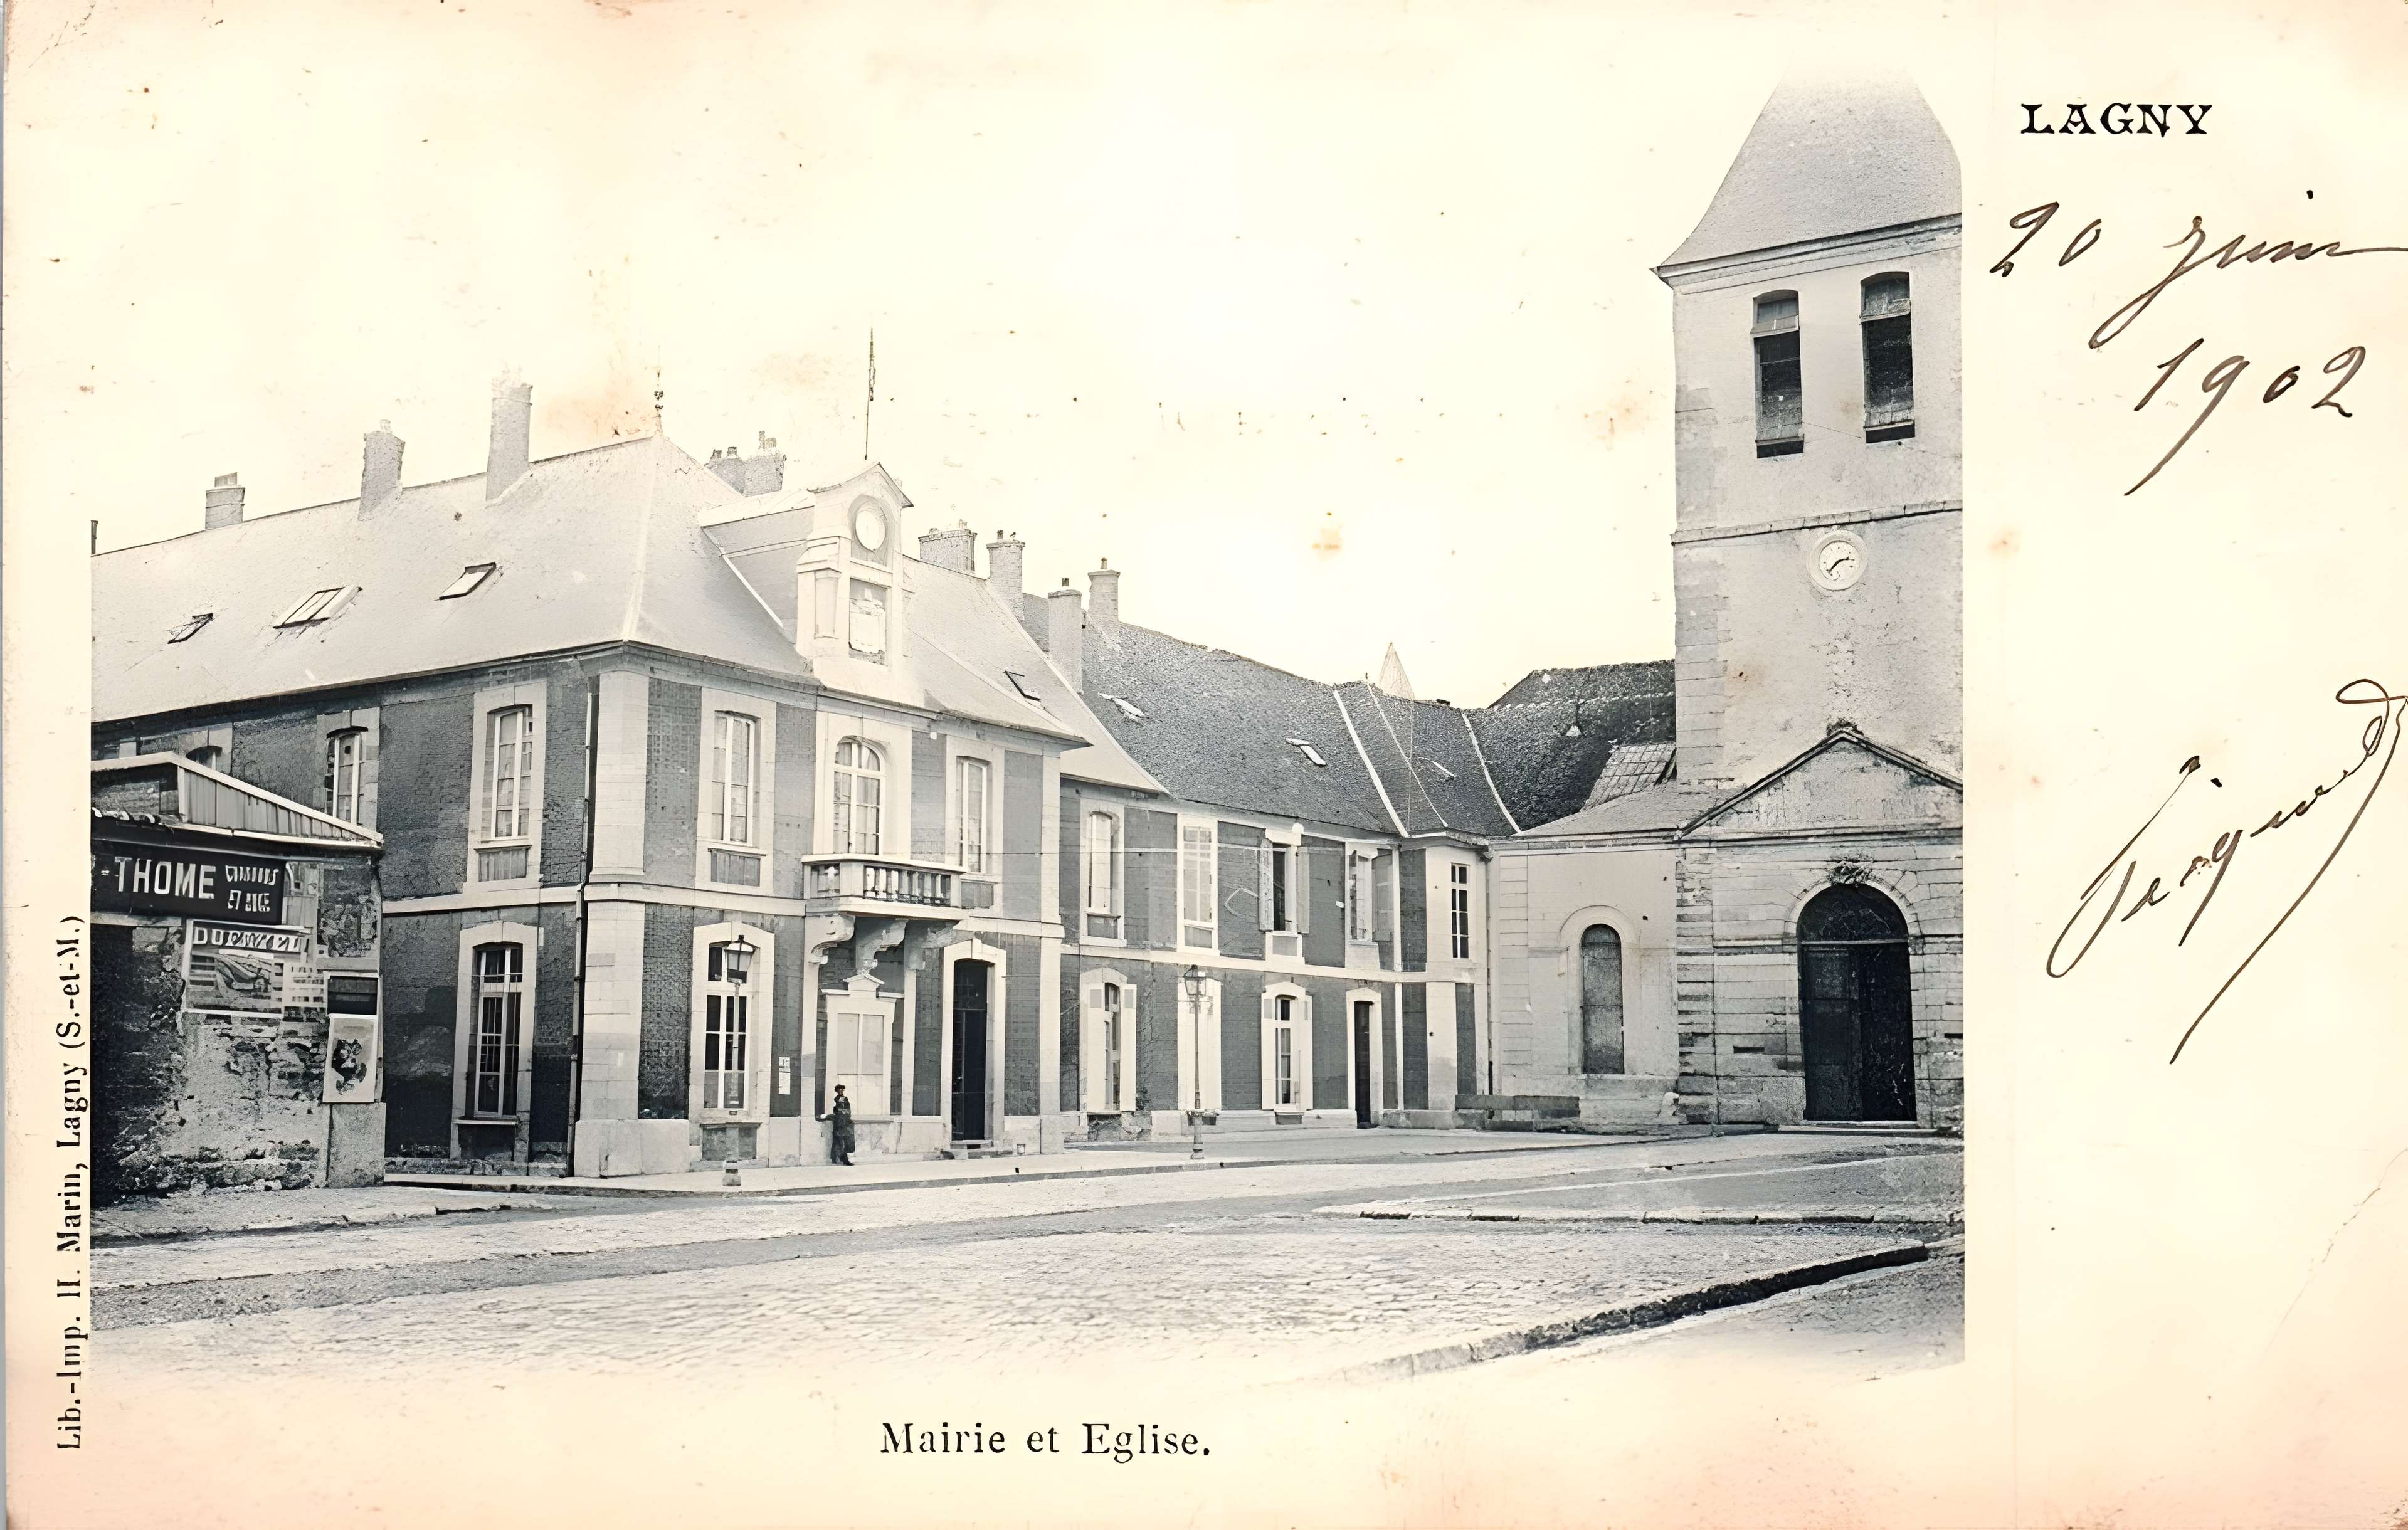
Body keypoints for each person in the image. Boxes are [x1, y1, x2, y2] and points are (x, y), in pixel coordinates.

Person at [829, 1084, 856, 1166]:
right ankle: (839, 1159)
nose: (840, 1091)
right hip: (838, 1123)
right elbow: (835, 1111)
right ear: (837, 1091)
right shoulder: (835, 1099)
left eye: (842, 1089)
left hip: (844, 1123)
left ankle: (843, 1159)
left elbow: (848, 1111)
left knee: (843, 1142)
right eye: (839, 1089)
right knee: (838, 1142)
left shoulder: (845, 1099)